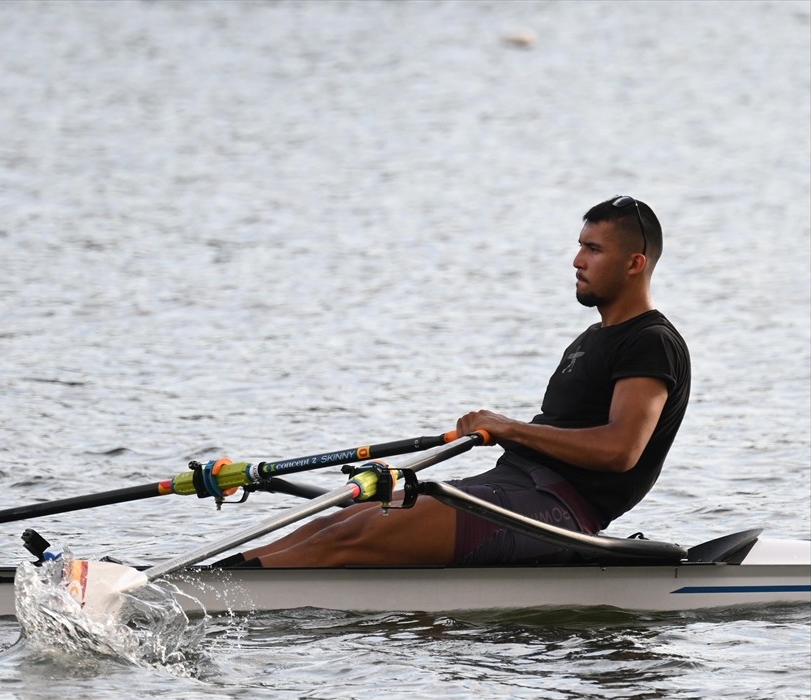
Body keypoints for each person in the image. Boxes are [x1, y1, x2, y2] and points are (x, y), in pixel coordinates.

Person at [219, 196, 690, 568]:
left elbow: (620, 450)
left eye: (593, 249)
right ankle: (194, 589)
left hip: (559, 511)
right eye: (580, 245)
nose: (576, 260)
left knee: (349, 539)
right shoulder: (591, 339)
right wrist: (508, 435)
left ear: (634, 264)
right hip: (512, 484)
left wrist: (509, 427)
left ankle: (213, 602)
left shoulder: (651, 342)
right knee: (340, 520)